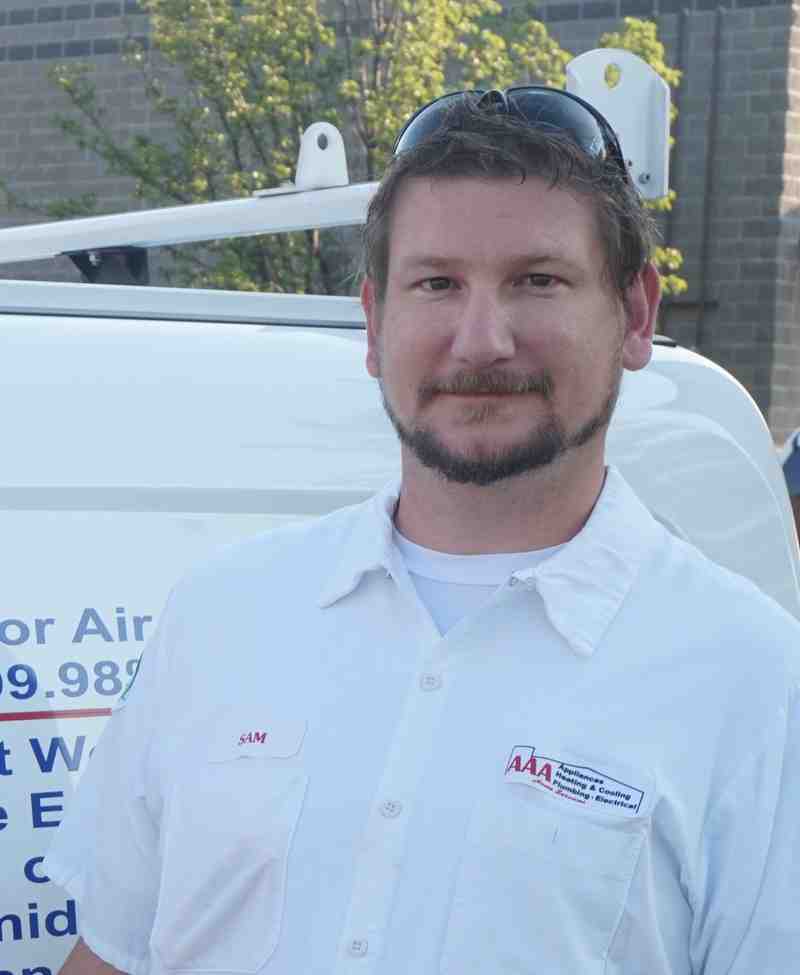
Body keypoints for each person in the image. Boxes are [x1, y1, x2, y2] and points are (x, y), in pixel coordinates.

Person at [50, 87, 799, 975]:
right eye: (437, 283)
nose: (481, 341)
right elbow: (111, 956)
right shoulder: (218, 616)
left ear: (636, 314)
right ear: (374, 322)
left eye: (537, 280)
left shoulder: (754, 680)